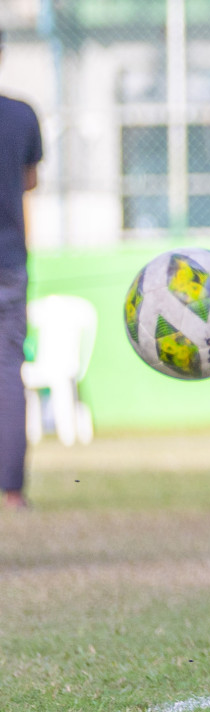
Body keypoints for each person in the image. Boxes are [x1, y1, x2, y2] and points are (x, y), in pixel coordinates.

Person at [0, 29, 41, 511]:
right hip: (10, 263)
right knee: (8, 374)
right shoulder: (22, 115)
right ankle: (11, 492)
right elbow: (30, 181)